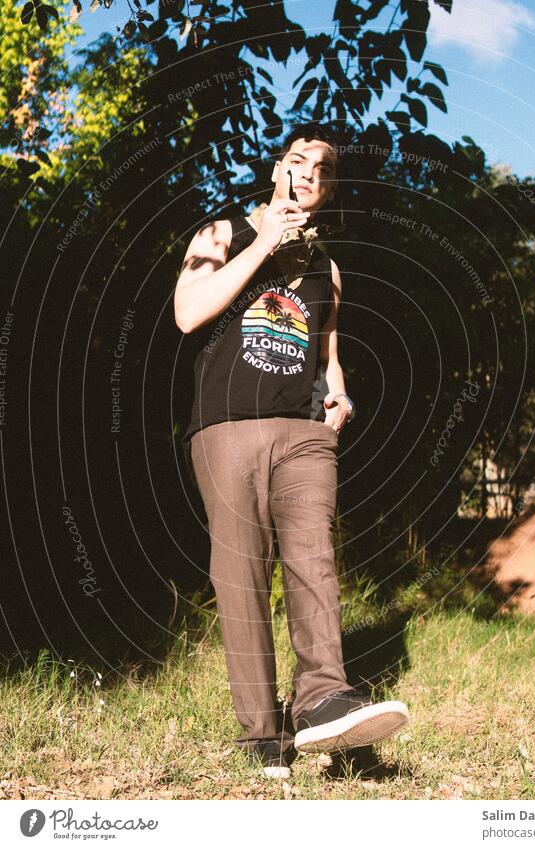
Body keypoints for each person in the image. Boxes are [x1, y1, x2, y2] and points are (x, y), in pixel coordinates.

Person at [174, 122, 409, 779]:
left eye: (322, 169)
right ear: (278, 168)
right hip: (227, 427)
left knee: (314, 557)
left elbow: (326, 353)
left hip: (305, 434)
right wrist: (264, 244)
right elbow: (189, 313)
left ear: (325, 191)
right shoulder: (221, 234)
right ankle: (260, 734)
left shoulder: (328, 270)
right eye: (299, 159)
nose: (309, 171)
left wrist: (339, 392)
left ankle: (322, 698)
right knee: (241, 574)